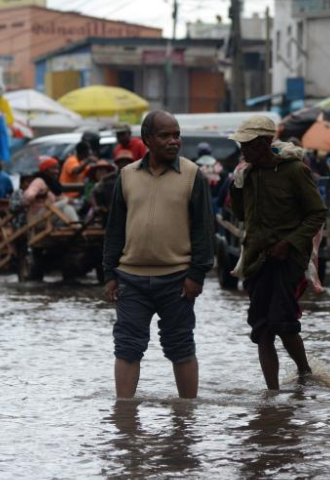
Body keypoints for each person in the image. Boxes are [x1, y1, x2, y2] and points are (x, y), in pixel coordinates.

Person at [103, 110, 214, 399]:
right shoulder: (126, 176)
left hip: (177, 280)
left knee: (181, 347)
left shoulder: (192, 175)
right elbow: (114, 230)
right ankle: (124, 415)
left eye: (177, 135)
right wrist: (109, 274)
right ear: (147, 140)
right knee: (127, 347)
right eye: (165, 135)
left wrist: (196, 275)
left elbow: (204, 230)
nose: (173, 141)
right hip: (131, 278)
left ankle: (188, 417)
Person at [228, 116, 327, 391]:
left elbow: (317, 213)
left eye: (247, 144)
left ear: (264, 142)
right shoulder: (246, 174)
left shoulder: (294, 171)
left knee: (283, 321)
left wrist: (290, 242)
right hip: (257, 258)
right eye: (241, 144)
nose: (243, 150)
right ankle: (272, 393)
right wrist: (235, 189)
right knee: (262, 329)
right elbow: (240, 215)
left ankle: (304, 371)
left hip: (288, 260)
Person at [23, 157, 79, 224]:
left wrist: (70, 201)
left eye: (57, 168)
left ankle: (77, 228)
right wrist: (37, 194)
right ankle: (77, 227)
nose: (57, 171)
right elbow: (28, 195)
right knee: (65, 202)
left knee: (68, 208)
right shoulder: (39, 181)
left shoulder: (53, 185)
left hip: (48, 217)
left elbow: (60, 199)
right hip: (37, 219)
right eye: (53, 168)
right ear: (45, 170)